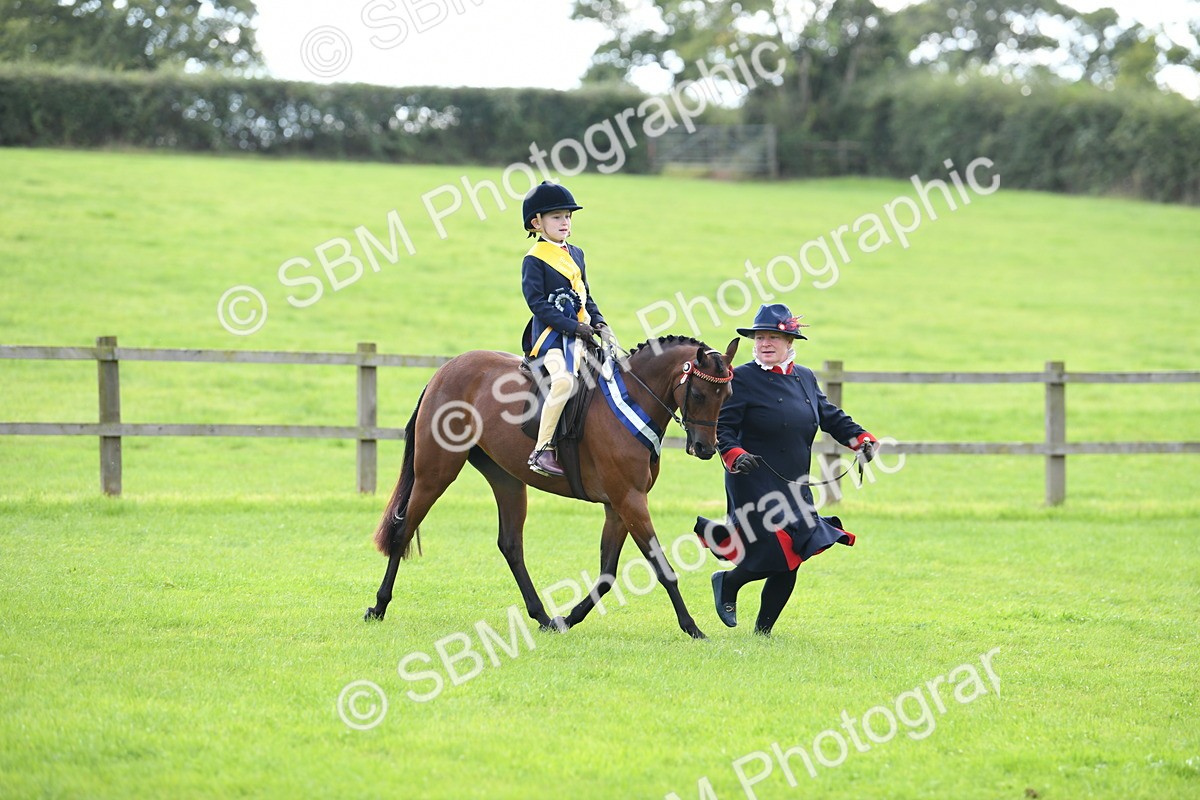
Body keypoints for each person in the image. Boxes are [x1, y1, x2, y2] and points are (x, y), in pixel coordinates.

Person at [698, 302, 878, 635]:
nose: (765, 343)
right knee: (778, 550)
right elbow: (722, 427)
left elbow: (830, 416)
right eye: (760, 338)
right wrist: (734, 454)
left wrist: (861, 439)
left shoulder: (805, 377)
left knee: (796, 553)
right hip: (752, 479)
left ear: (789, 342)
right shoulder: (741, 378)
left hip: (795, 482)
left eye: (773, 338)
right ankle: (729, 581)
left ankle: (763, 633)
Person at [519, 180, 614, 477]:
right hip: (550, 340)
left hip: (581, 336)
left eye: (568, 217)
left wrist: (599, 322)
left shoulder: (577, 254)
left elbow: (585, 295)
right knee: (564, 383)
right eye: (557, 217)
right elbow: (537, 303)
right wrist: (573, 327)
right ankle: (542, 449)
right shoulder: (534, 259)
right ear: (537, 223)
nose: (565, 222)